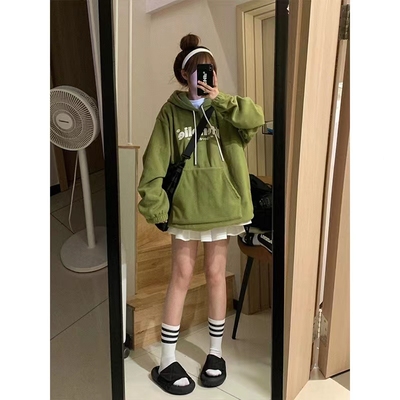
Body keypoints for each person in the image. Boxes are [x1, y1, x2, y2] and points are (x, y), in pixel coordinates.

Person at [137, 33, 264, 396]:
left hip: (223, 207)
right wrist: (157, 209)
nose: (205, 75)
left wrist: (219, 98)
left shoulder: (225, 109)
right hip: (186, 211)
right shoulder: (170, 112)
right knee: (180, 276)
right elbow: (153, 167)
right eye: (198, 70)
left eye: (210, 69)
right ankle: (166, 360)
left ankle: (215, 354)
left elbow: (255, 119)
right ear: (184, 74)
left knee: (215, 275)